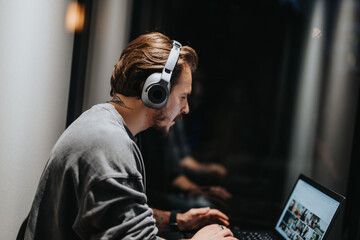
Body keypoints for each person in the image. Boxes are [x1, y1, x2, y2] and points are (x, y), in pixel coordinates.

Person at [19, 32, 237, 240]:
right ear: (155, 92)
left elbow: (120, 213)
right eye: (182, 97)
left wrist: (178, 220)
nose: (186, 109)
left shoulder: (105, 124)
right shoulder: (109, 144)